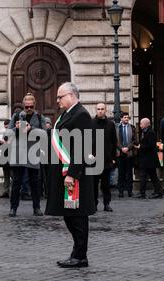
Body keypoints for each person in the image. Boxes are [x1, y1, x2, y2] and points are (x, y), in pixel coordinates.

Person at [45, 82, 95, 268]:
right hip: (64, 172)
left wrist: (72, 174)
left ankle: (80, 256)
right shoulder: (66, 114)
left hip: (75, 175)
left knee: (78, 215)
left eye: (60, 96)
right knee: (69, 214)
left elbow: (82, 147)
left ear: (72, 95)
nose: (57, 100)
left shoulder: (81, 115)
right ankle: (77, 253)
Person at [8, 93, 45, 217]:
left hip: (33, 153)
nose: (28, 109)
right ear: (23, 105)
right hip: (18, 153)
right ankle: (13, 208)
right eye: (26, 106)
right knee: (16, 183)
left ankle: (37, 207)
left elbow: (45, 134)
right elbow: (8, 134)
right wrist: (16, 129)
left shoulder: (39, 117)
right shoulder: (16, 116)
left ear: (34, 105)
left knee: (35, 183)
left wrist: (32, 129)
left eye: (31, 106)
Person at [92, 103, 117, 212]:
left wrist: (112, 157)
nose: (100, 111)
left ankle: (107, 204)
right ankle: (94, 204)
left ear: (105, 110)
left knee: (106, 184)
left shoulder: (110, 124)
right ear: (96, 110)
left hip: (106, 160)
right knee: (93, 184)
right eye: (98, 109)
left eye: (102, 109)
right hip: (93, 159)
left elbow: (114, 142)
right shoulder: (90, 123)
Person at [135, 118, 162, 199]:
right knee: (152, 176)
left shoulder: (151, 133)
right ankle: (158, 192)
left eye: (141, 124)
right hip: (146, 159)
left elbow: (151, 145)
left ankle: (143, 193)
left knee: (145, 176)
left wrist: (140, 146)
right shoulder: (144, 132)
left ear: (146, 124)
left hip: (149, 159)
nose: (140, 125)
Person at [117, 112, 137, 197]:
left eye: (127, 117)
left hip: (129, 153)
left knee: (129, 173)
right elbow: (115, 140)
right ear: (121, 119)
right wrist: (121, 148)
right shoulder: (117, 128)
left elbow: (135, 140)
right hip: (120, 153)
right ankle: (120, 191)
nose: (126, 119)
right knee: (121, 173)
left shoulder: (132, 128)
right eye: (124, 117)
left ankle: (130, 191)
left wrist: (128, 148)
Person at [0, 119, 11, 198]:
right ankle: (6, 191)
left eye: (8, 127)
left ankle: (14, 191)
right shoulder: (3, 135)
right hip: (5, 160)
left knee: (14, 176)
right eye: (5, 127)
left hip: (11, 159)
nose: (7, 129)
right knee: (6, 176)